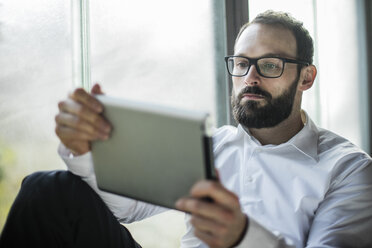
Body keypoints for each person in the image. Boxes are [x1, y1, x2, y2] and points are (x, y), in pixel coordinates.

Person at [1, 10, 372, 248]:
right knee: (47, 189)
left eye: (270, 65)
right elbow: (123, 207)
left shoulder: (349, 169)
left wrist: (243, 237)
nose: (250, 78)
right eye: (242, 64)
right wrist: (83, 148)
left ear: (306, 77)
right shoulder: (211, 147)